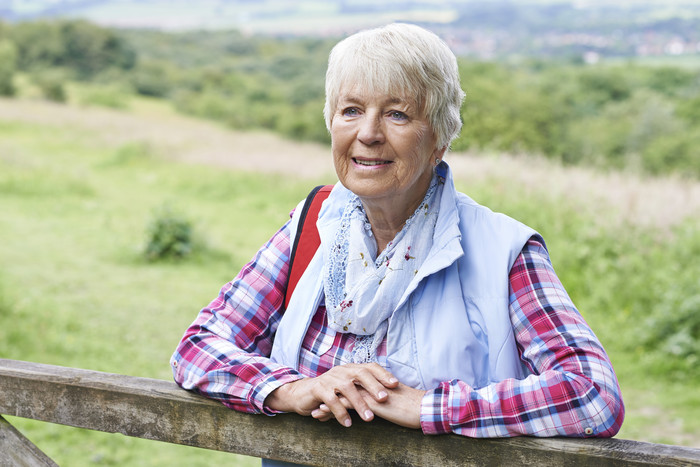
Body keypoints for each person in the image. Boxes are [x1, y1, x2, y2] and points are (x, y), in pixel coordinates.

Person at [171, 22, 624, 450]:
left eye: (397, 114)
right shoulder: (313, 224)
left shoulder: (503, 250)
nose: (368, 134)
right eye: (351, 111)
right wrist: (291, 389)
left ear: (440, 139)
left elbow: (592, 394)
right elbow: (198, 348)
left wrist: (429, 407)